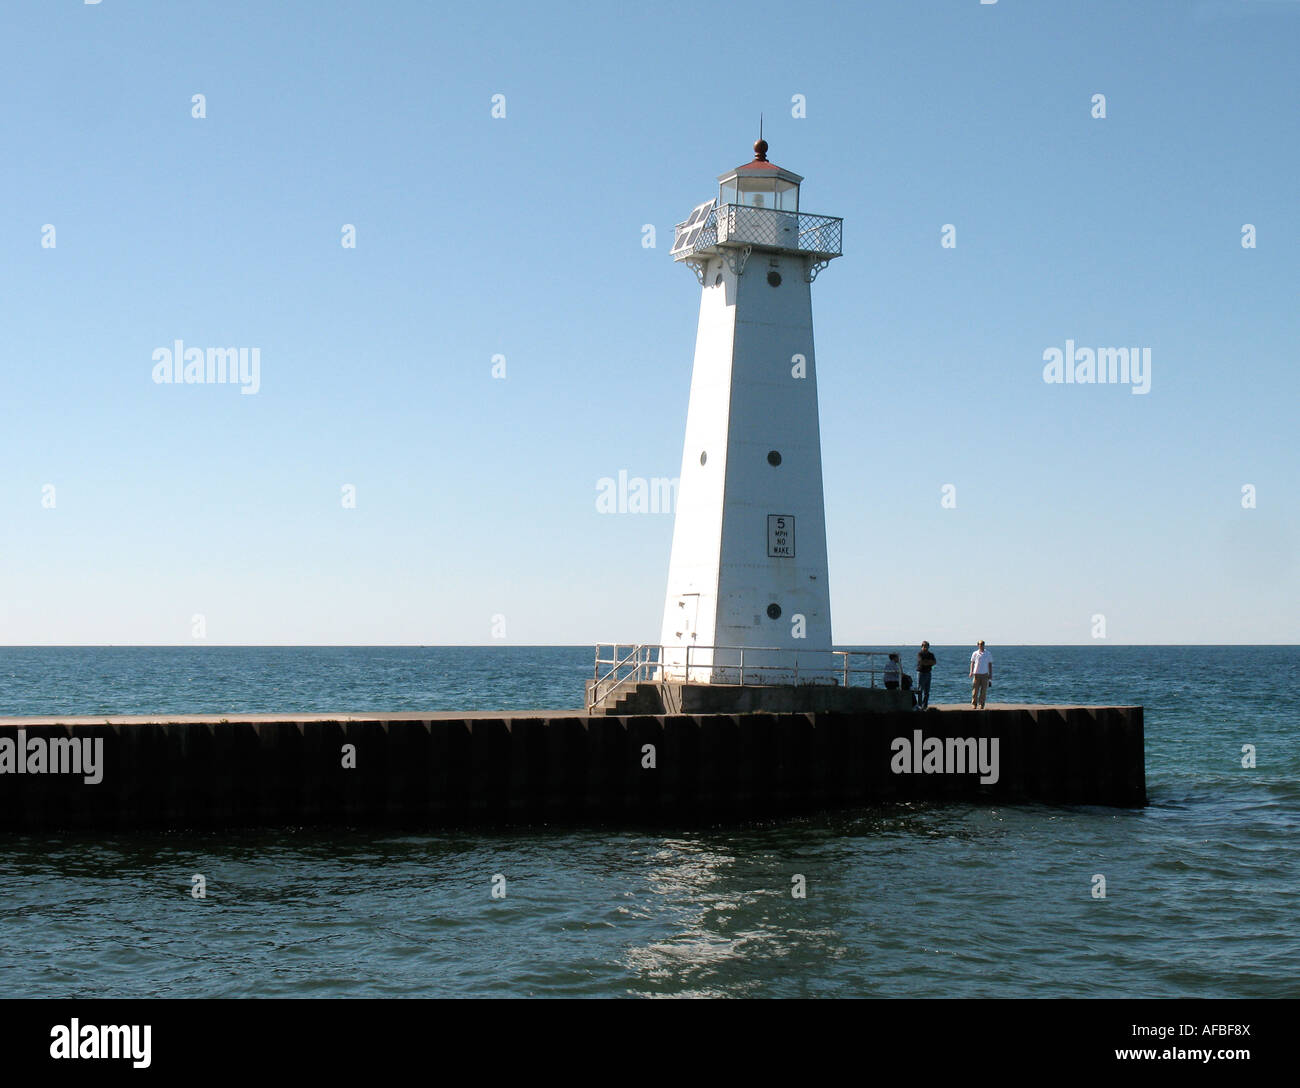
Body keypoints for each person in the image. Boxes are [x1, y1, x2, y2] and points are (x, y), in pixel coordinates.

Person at [969, 640, 993, 709]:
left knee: (983, 691)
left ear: (984, 645)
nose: (981, 645)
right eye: (980, 644)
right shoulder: (975, 653)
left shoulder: (988, 653)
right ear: (978, 645)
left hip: (985, 674)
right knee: (975, 691)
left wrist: (990, 674)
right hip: (976, 674)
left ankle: (981, 704)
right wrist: (971, 672)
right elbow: (972, 663)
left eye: (982, 644)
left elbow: (990, 664)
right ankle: (974, 704)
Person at [915, 641, 937, 709]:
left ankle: (925, 705)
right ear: (922, 646)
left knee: (927, 691)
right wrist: (929, 662)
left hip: (928, 673)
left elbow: (934, 662)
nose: (925, 647)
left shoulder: (931, 654)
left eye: (926, 646)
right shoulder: (920, 654)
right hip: (921, 673)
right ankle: (919, 705)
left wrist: (927, 662)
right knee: (920, 690)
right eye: (924, 646)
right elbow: (921, 662)